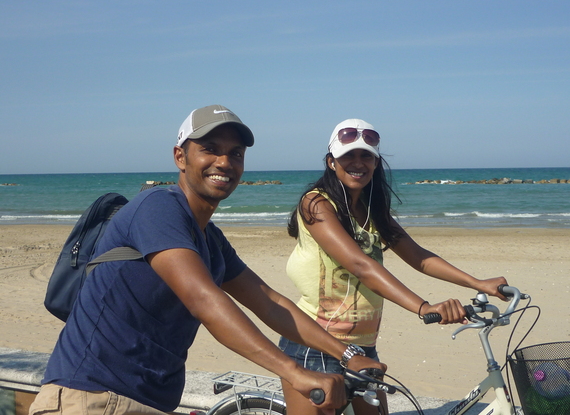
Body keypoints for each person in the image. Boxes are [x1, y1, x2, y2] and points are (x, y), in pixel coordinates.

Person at [29, 106, 386, 415]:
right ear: (180, 157)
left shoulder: (209, 239)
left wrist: (347, 354)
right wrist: (294, 372)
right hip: (90, 399)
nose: (225, 162)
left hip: (147, 402)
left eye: (236, 153)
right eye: (210, 150)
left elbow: (271, 303)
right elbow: (204, 300)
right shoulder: (158, 207)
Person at [278, 118, 508, 415]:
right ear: (331, 161)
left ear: (376, 163)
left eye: (366, 156)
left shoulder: (372, 210)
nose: (358, 162)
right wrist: (423, 308)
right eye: (348, 155)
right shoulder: (316, 205)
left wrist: (478, 283)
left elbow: (418, 256)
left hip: (362, 347)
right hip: (313, 346)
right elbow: (360, 265)